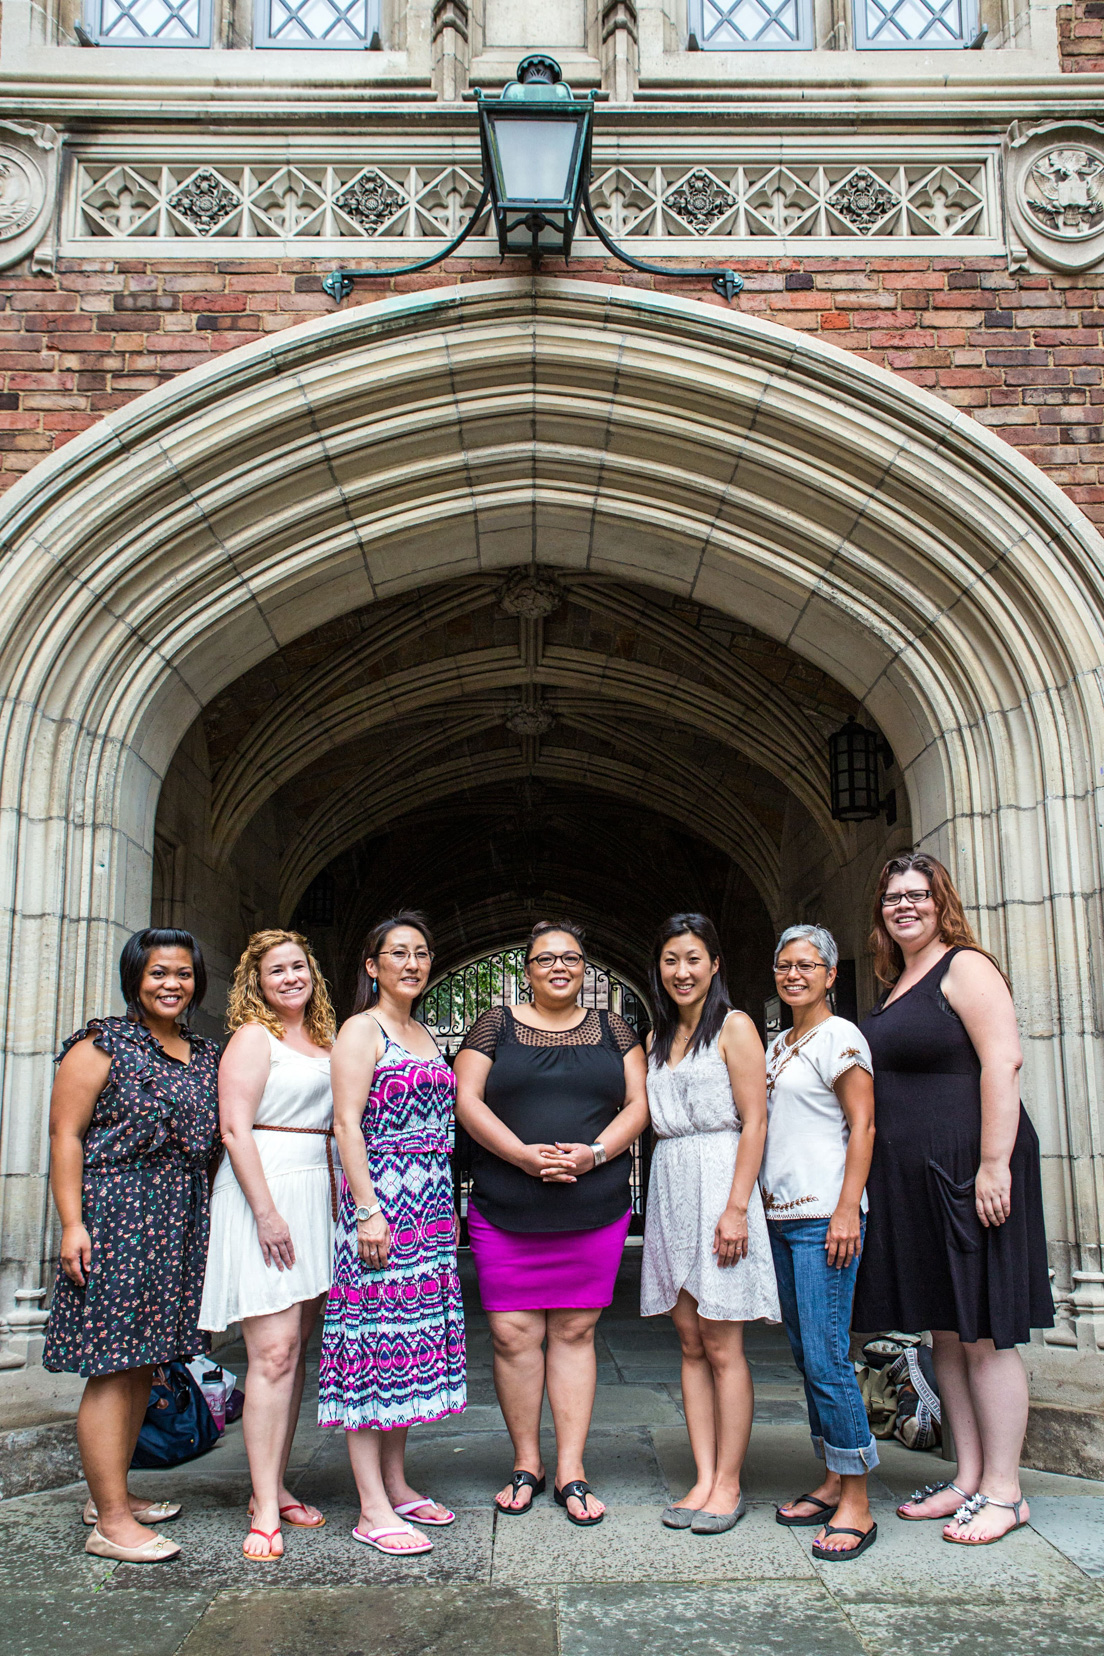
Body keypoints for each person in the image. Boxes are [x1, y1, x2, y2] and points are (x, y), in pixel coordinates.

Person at [853, 852, 1053, 1545]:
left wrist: (995, 1164)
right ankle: (967, 1478)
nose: (904, 906)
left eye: (917, 895)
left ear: (942, 902)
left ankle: (1006, 1491)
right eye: (892, 898)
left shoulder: (965, 965)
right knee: (945, 1327)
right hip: (915, 1178)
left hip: (970, 1168)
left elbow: (1004, 1060)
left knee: (986, 1329)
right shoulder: (898, 979)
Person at [454, 920, 649, 1528]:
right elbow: (467, 1100)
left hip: (591, 1201)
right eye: (545, 959)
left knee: (575, 1331)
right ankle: (525, 1462)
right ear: (528, 969)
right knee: (512, 1334)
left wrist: (595, 1152)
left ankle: (571, 1468)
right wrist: (520, 1155)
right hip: (505, 1198)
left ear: (585, 968)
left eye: (570, 957)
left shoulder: (617, 1029)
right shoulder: (493, 1023)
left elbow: (639, 1104)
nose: (558, 967)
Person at [43, 928, 219, 1564]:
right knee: (113, 1367)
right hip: (117, 1219)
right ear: (134, 980)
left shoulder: (203, 1054)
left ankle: (110, 1494)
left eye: (182, 973)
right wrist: (71, 1223)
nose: (171, 984)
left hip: (180, 1222)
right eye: (157, 973)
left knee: (145, 1363)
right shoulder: (102, 1046)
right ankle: (111, 1522)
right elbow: (67, 1135)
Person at [318, 911, 465, 1557]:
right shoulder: (361, 1029)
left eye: (421, 952)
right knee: (373, 1352)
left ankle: (398, 1485)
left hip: (429, 1209)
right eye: (397, 953)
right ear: (372, 965)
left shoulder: (422, 1032)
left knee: (407, 1353)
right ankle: (371, 1508)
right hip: (384, 1208)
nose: (411, 963)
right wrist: (369, 1211)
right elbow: (348, 1126)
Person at [199, 929, 338, 1562]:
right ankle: (261, 1507)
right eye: (275, 970)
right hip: (268, 1190)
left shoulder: (328, 1039)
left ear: (314, 974)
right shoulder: (253, 1037)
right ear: (256, 983)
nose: (289, 978)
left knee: (295, 1348)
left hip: (316, 1191)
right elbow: (233, 1126)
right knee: (273, 1352)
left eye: (298, 967)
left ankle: (277, 1487)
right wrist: (266, 1212)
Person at [641, 913, 779, 1536]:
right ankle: (702, 1476)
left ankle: (729, 1482)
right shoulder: (656, 1036)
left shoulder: (736, 1026)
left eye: (693, 958)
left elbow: (755, 1120)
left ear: (715, 963)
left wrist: (735, 1208)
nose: (682, 971)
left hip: (722, 1181)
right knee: (690, 1339)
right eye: (671, 960)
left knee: (724, 1342)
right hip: (671, 1182)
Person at [762, 924, 879, 1560]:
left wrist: (846, 1211)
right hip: (782, 1218)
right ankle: (832, 1476)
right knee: (809, 1355)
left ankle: (857, 1501)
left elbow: (861, 1126)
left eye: (808, 966)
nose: (794, 975)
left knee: (831, 1355)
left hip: (823, 1218)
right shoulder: (779, 1044)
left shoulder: (841, 1037)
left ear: (831, 975)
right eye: (784, 966)